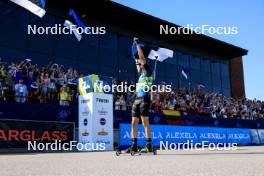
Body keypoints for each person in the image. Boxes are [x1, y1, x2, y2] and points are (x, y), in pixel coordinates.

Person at [127, 37, 154, 153]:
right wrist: (134, 56)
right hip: (137, 100)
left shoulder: (148, 71)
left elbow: (141, 58)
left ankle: (149, 146)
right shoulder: (141, 75)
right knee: (133, 123)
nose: (139, 63)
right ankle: (134, 146)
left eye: (140, 62)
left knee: (144, 123)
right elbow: (137, 61)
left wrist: (137, 45)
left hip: (144, 100)